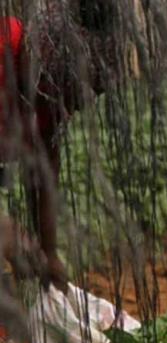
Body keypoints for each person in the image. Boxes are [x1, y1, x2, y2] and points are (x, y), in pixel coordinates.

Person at [0, 1, 116, 291]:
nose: (71, 108)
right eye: (67, 88)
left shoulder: (48, 102)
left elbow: (43, 166)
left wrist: (48, 251)